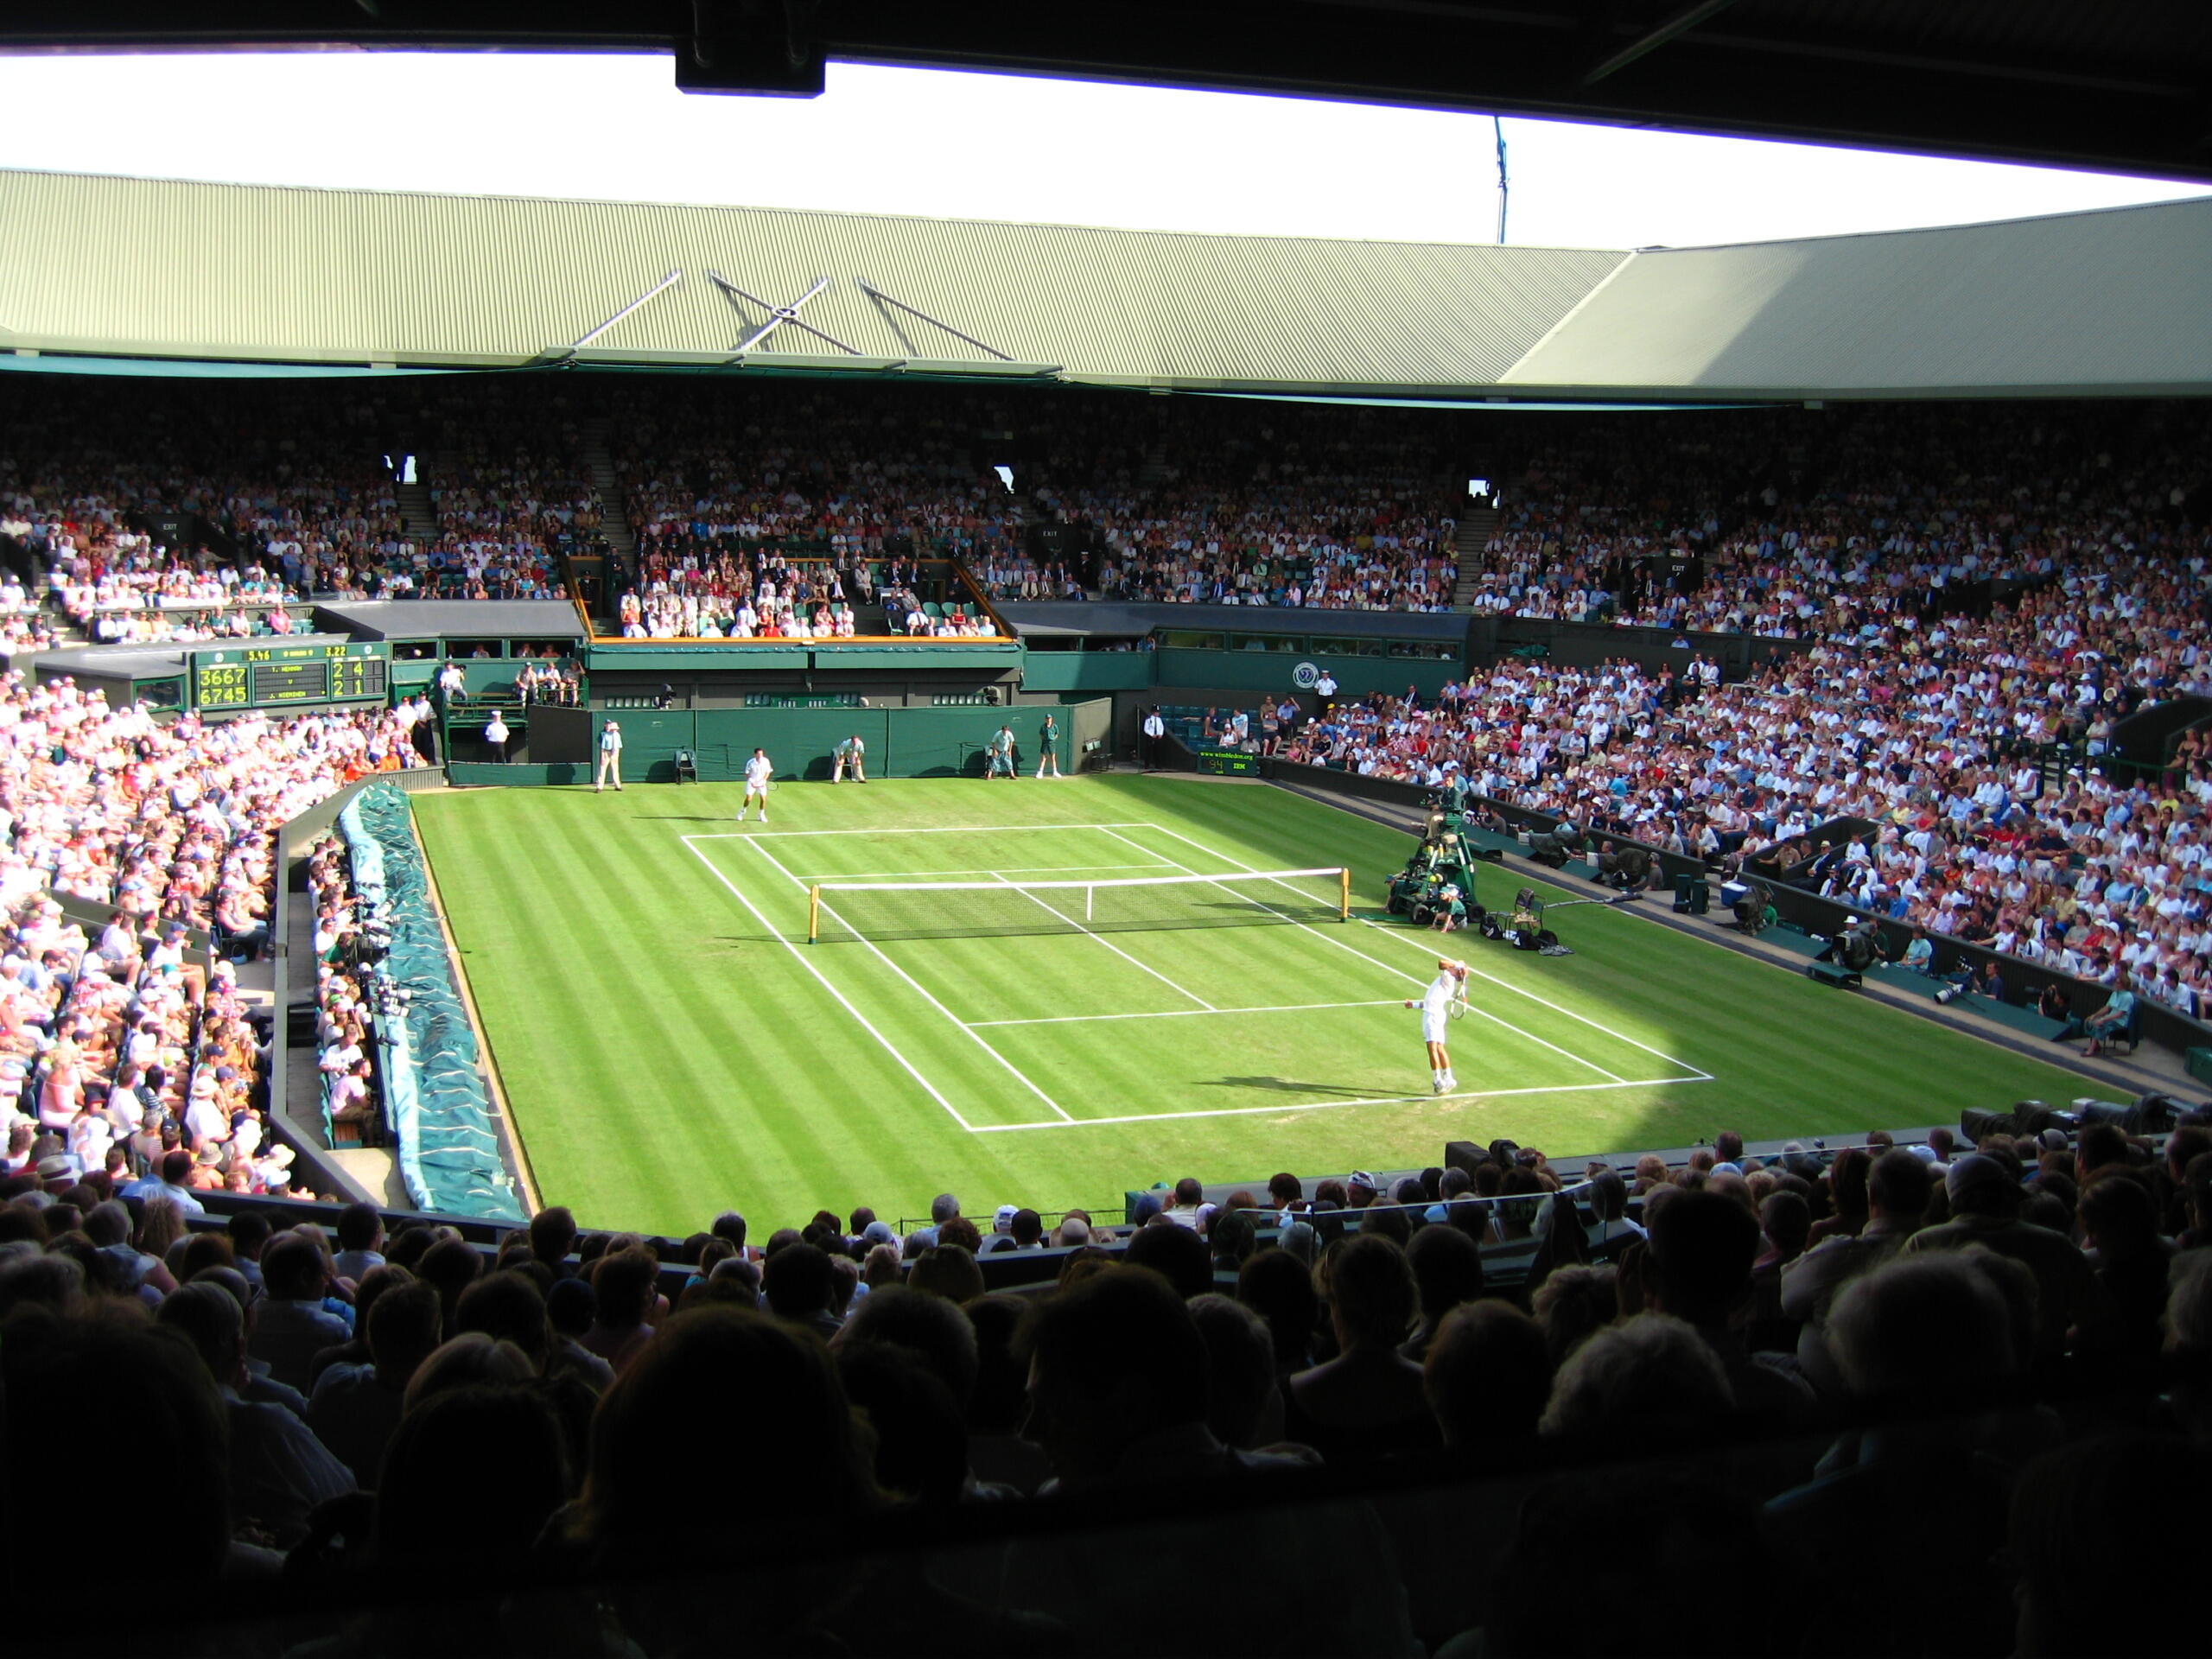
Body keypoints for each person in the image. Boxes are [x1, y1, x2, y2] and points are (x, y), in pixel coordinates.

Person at [1404, 957, 1467, 1095]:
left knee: (1432, 1048)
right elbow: (1430, 1001)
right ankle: (1449, 1079)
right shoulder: (1447, 979)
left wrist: (1459, 965)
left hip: (1432, 1016)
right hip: (1435, 1013)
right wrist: (1413, 1005)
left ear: (1456, 972)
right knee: (1439, 1047)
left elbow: (1441, 963)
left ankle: (1438, 1081)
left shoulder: (1448, 978)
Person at [741, 747, 772, 823]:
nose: (760, 755)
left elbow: (768, 772)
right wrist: (752, 781)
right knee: (748, 799)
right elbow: (747, 773)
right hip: (752, 783)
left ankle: (761, 814)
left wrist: (764, 780)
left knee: (763, 799)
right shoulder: (750, 762)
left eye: (761, 754)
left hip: (761, 783)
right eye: (758, 754)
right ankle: (742, 812)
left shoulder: (766, 761)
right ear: (755, 754)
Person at [596, 719, 624, 792]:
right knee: (602, 769)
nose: (614, 730)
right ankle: (599, 787)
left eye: (615, 729)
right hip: (606, 752)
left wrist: (616, 753)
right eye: (613, 729)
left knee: (615, 768)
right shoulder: (604, 734)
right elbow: (602, 746)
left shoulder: (618, 735)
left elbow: (619, 745)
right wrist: (602, 755)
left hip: (615, 752)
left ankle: (618, 785)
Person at [1035, 711, 1062, 778]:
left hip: (1052, 743)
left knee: (1053, 758)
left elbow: (1057, 734)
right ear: (1045, 719)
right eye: (1047, 718)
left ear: (1051, 719)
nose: (1048, 719)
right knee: (1043, 758)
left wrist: (1053, 739)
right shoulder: (1043, 727)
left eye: (1049, 718)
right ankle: (1040, 772)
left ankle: (1055, 772)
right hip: (1045, 743)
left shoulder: (1055, 726)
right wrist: (1044, 739)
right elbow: (1041, 734)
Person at [1141, 706, 1165, 770]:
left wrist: (1160, 734)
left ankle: (1158, 765)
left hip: (1158, 737)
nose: (1157, 713)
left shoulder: (1159, 719)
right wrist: (1151, 734)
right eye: (1156, 712)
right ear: (1153, 712)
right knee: (1148, 751)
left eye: (1158, 712)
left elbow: (1161, 727)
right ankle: (1147, 765)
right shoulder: (1148, 719)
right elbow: (1146, 729)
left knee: (1158, 751)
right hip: (1150, 737)